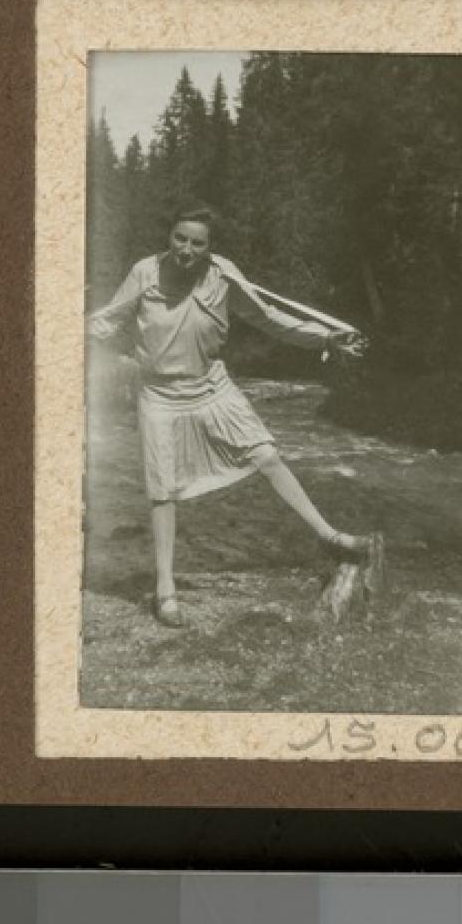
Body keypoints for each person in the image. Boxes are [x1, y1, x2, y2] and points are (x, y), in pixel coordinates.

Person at [86, 205, 373, 627]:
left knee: (266, 455)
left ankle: (328, 537)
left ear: (210, 247)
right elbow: (108, 321)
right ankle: (165, 590)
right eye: (179, 238)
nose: (185, 249)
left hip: (212, 387)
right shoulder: (144, 272)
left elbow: (268, 317)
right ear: (169, 237)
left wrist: (324, 337)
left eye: (196, 242)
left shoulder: (224, 276)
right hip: (160, 394)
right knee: (162, 490)